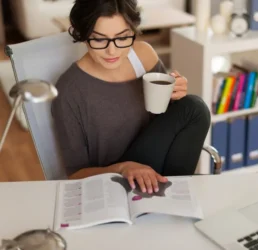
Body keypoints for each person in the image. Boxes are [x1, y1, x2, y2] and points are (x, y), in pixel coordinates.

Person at [51, 0, 211, 195]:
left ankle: (169, 195)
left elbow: (167, 118)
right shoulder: (69, 90)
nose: (112, 50)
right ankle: (169, 195)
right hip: (114, 181)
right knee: (193, 108)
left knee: (194, 108)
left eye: (122, 37)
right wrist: (123, 168)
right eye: (99, 39)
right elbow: (75, 176)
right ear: (84, 35)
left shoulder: (143, 57)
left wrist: (175, 92)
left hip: (157, 169)